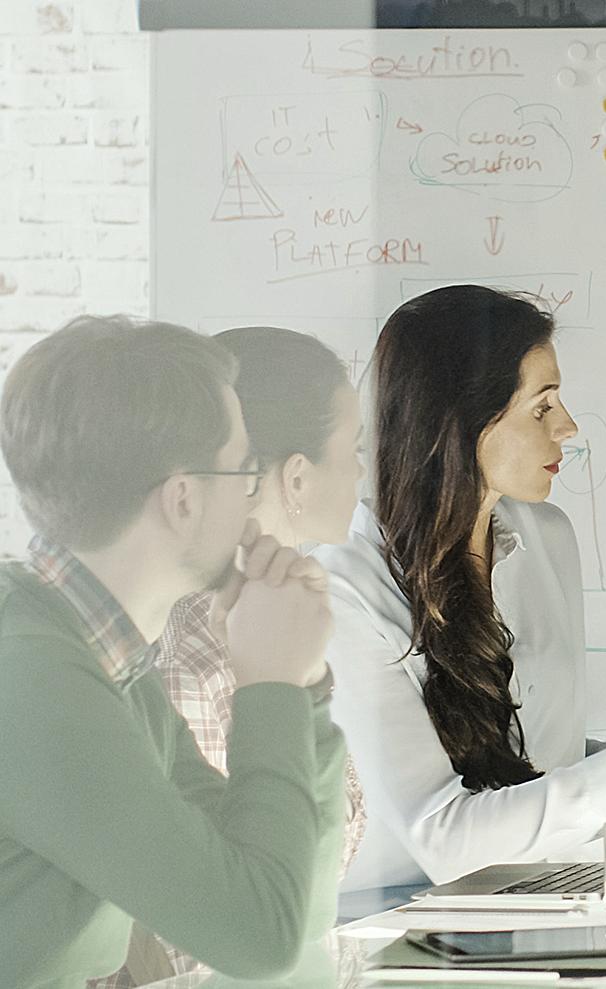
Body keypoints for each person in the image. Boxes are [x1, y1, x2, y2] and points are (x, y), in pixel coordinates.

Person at [315, 285, 606, 891]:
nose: (569, 426)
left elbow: (552, 763)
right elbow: (442, 839)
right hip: (394, 920)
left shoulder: (547, 538)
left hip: (537, 887)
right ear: (463, 421)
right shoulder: (344, 586)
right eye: (541, 406)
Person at [0, 316, 346, 988]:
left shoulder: (109, 658)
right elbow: (260, 937)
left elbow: (296, 910)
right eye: (246, 470)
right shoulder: (29, 674)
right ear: (183, 497)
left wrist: (301, 683)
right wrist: (268, 682)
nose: (254, 499)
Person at [90, 326, 370, 988]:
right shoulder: (198, 645)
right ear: (296, 475)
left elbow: (304, 892)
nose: (363, 471)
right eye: (353, 449)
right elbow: (204, 929)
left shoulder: (272, 623)